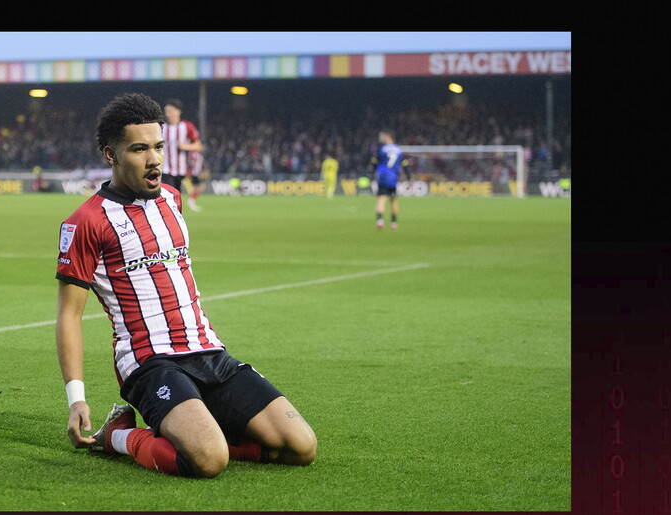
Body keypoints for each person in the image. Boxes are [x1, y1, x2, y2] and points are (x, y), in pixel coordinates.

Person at [55, 93, 317, 478]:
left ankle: (200, 427)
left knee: (301, 446)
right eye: (140, 149)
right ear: (111, 155)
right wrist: (76, 398)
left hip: (208, 350)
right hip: (150, 362)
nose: (155, 159)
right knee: (208, 461)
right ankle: (119, 435)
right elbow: (69, 315)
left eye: (158, 146)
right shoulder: (86, 222)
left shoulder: (171, 200)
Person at [161, 98, 204, 211]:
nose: (167, 114)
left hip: (181, 170)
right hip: (165, 169)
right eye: (166, 111)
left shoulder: (186, 127)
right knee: (168, 196)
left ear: (178, 111)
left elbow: (199, 146)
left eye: (170, 110)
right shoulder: (161, 127)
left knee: (176, 197)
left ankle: (176, 219)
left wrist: (185, 146)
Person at [371, 131, 411, 229]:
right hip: (393, 178)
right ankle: (394, 223)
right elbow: (405, 165)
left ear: (388, 137)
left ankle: (380, 222)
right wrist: (409, 177)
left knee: (381, 199)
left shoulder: (382, 149)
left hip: (383, 177)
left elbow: (374, 161)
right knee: (393, 201)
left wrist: (375, 170)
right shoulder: (398, 150)